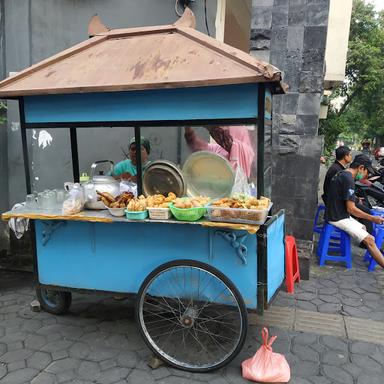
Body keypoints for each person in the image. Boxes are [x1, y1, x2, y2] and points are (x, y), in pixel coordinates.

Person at [325, 154, 384, 268]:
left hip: (336, 212)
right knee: (370, 240)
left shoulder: (341, 173)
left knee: (363, 228)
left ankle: (373, 254)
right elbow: (351, 209)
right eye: (367, 172)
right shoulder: (348, 179)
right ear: (361, 168)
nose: (366, 176)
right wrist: (373, 218)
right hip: (337, 217)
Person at [184, 126, 255, 178]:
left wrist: (210, 126)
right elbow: (198, 146)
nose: (224, 131)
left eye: (227, 131)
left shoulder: (246, 151)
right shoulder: (219, 149)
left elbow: (226, 141)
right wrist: (188, 129)